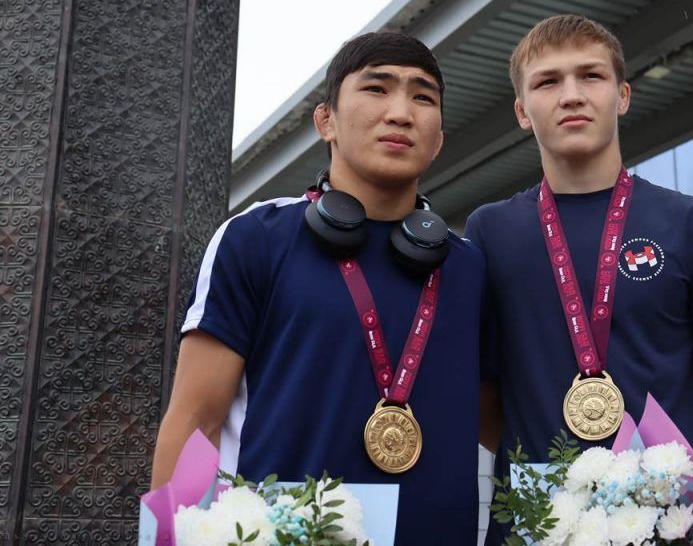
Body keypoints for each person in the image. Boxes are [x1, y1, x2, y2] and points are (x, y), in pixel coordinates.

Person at [152, 32, 484, 544]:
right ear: (325, 120)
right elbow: (196, 419)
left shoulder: (469, 267)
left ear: (438, 138)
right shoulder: (256, 238)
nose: (401, 113)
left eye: (423, 97)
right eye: (376, 89)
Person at [467, 15, 693, 545]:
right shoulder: (489, 233)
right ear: (522, 111)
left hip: (674, 526)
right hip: (538, 528)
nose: (571, 95)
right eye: (548, 81)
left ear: (623, 96)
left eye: (591, 75)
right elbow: (483, 400)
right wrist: (562, 477)